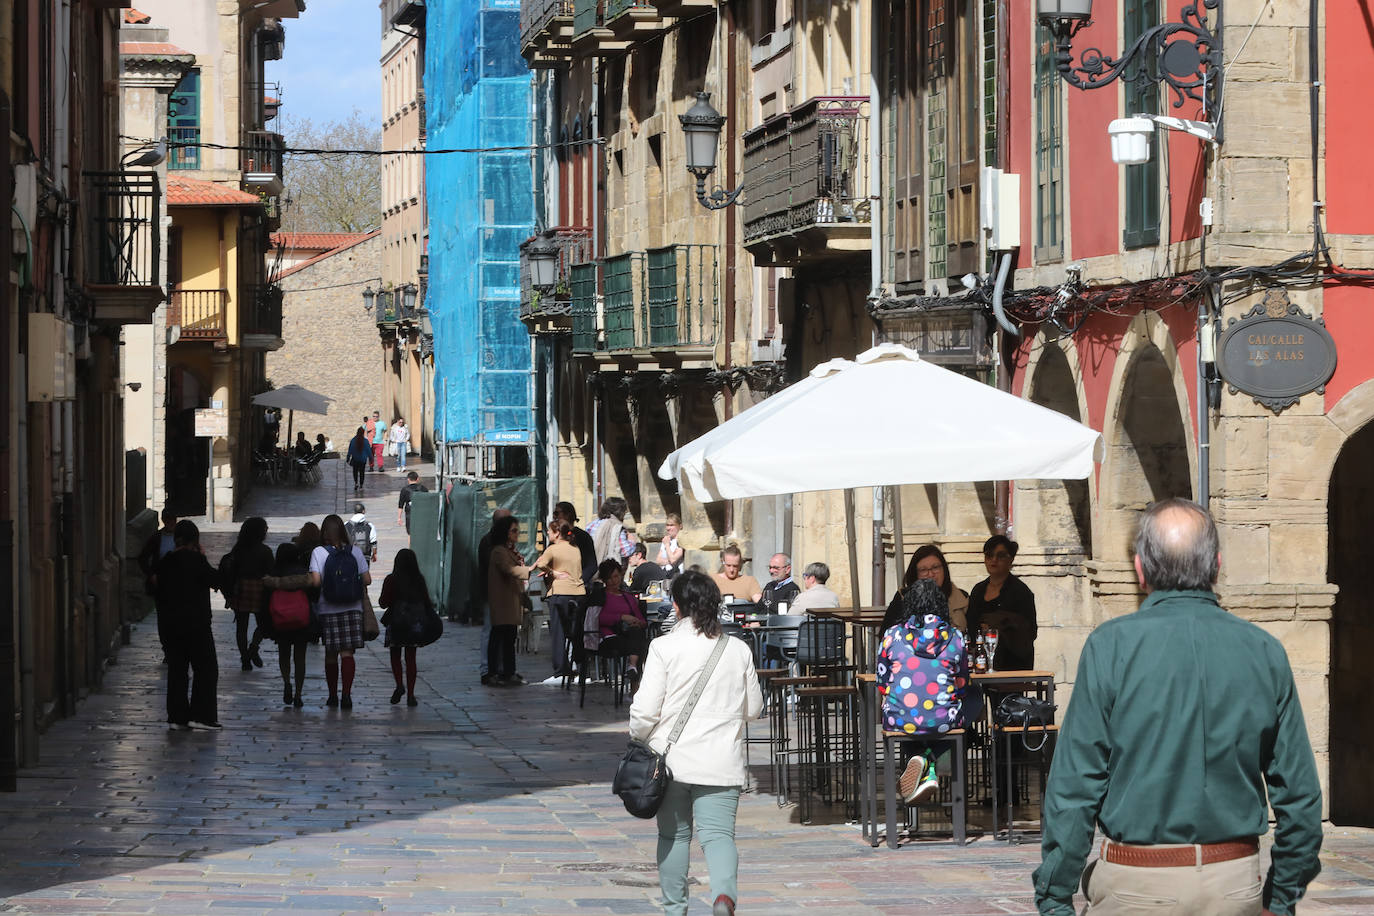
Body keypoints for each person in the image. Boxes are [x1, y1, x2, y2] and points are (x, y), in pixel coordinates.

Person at [1034, 498, 1322, 916]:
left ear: (1140, 569)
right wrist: (1280, 899)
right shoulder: (1264, 651)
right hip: (1234, 882)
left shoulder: (1111, 646)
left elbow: (1076, 785)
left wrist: (1054, 895)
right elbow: (1300, 797)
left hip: (1137, 882)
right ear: (1217, 565)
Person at [629, 571, 763, 916]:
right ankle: (722, 898)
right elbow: (754, 708)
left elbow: (645, 711)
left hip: (672, 762)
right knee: (718, 837)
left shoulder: (663, 647)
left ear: (676, 605)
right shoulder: (737, 649)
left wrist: (638, 738)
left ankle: (675, 909)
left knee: (674, 837)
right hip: (720, 761)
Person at [876, 578, 970, 805]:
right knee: (973, 701)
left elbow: (882, 681)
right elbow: (963, 685)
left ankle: (919, 757)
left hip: (898, 719)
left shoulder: (891, 635)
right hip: (943, 721)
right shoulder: (955, 637)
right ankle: (929, 756)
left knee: (910, 711)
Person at [157, 520, 222, 730]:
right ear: (195, 540)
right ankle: (202, 716)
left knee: (177, 671)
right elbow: (215, 580)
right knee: (206, 669)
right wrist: (203, 558)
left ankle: (177, 717)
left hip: (170, 625)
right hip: (197, 624)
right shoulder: (197, 560)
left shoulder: (166, 562)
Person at [308, 513, 372, 709]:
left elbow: (317, 581)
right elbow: (367, 580)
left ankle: (332, 696)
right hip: (352, 607)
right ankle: (346, 695)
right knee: (347, 653)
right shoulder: (355, 551)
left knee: (330, 653)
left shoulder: (318, 552)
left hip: (328, 607)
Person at [966, 535, 1036, 670]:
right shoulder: (978, 590)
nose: (994, 560)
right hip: (981, 661)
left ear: (1011, 559)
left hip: (1013, 663)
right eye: (989, 555)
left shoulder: (1021, 592)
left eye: (1000, 556)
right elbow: (970, 623)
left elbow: (1030, 631)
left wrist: (998, 627)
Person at [378, 548, 434, 707]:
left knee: (395, 655)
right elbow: (427, 601)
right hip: (413, 624)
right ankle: (411, 694)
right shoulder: (419, 580)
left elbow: (382, 603)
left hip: (396, 623)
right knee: (411, 658)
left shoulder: (391, 579)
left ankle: (399, 685)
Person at [261, 542, 315, 708]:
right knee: (300, 658)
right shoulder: (304, 574)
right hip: (301, 621)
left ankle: (286, 682)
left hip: (281, 620)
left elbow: (265, 601)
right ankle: (298, 694)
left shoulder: (273, 575)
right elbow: (314, 596)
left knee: (284, 654)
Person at [531, 519, 586, 678]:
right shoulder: (575, 548)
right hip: (579, 592)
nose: (547, 533)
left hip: (560, 592)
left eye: (549, 531)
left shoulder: (553, 549)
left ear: (556, 533)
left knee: (558, 632)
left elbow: (541, 563)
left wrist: (553, 572)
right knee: (577, 633)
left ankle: (561, 669)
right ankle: (580, 666)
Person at [220, 517, 274, 672]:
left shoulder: (238, 550)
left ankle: (245, 658)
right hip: (259, 590)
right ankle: (253, 647)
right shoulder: (265, 551)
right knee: (264, 624)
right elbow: (272, 572)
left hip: (241, 590)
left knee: (241, 627)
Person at [884, 544, 971, 633]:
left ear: (944, 569)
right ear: (915, 574)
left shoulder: (961, 597)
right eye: (923, 570)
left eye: (935, 568)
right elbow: (886, 634)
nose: (930, 574)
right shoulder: (902, 597)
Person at [486, 515, 531, 686]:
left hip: (510, 600)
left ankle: (508, 672)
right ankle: (494, 672)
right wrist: (529, 569)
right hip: (502, 602)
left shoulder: (508, 550)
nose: (517, 533)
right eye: (513, 530)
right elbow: (509, 569)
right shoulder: (499, 551)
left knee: (509, 638)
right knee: (498, 637)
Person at [593, 557, 648, 687]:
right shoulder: (600, 597)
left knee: (639, 638)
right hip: (607, 637)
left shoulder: (628, 597)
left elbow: (642, 620)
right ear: (604, 579)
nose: (614, 581)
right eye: (610, 578)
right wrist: (622, 617)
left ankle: (632, 667)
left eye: (616, 576)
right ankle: (634, 685)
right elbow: (597, 619)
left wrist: (637, 622)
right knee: (640, 645)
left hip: (628, 635)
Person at [473, 507, 512, 675]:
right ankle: (487, 667)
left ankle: (502, 667)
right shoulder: (489, 542)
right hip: (493, 593)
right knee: (490, 630)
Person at [138, 507, 178, 661]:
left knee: (175, 617)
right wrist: (151, 574)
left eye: (172, 520)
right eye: (167, 520)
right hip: (161, 583)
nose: (169, 523)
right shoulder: (156, 538)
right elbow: (143, 558)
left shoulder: (181, 538)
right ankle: (167, 648)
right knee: (163, 618)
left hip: (177, 584)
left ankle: (174, 647)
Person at [554, 501, 597, 587]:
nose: (555, 517)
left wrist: (579, 582)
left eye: (557, 513)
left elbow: (592, 564)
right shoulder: (555, 536)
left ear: (567, 515)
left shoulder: (583, 536)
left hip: (578, 586)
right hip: (559, 587)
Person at [586, 496, 636, 565]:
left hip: (590, 566)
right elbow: (625, 551)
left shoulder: (591, 525)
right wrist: (632, 541)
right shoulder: (618, 527)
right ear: (620, 512)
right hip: (608, 569)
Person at [346, 426, 370, 494]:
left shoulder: (353, 440)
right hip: (363, 459)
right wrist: (371, 458)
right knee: (362, 472)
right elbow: (368, 450)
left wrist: (348, 458)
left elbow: (350, 450)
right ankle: (361, 485)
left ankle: (356, 483)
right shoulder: (365, 441)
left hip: (355, 459)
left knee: (355, 471)